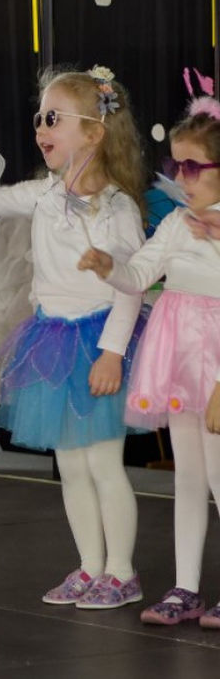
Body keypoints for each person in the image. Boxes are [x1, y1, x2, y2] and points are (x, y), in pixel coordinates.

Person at [0, 66, 148, 609]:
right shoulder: (42, 195)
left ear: (93, 132)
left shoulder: (117, 207)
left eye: (54, 118)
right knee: (71, 465)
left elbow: (131, 287)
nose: (41, 127)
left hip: (100, 344)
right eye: (40, 117)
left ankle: (122, 570)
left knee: (103, 464)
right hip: (52, 345)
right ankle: (89, 565)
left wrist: (111, 353)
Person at [79, 103, 220, 626]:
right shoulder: (179, 224)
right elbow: (140, 276)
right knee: (189, 477)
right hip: (180, 361)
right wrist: (108, 266)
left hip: (216, 369)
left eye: (192, 168)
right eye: (175, 165)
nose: (179, 177)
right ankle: (186, 588)